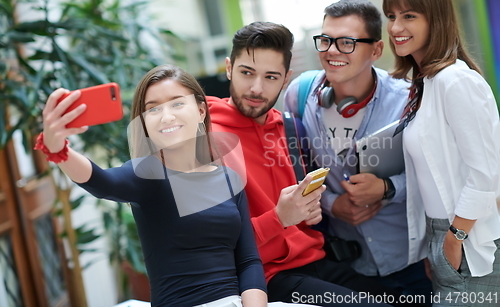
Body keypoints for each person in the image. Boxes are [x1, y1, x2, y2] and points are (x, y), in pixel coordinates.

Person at [34, 64, 316, 307]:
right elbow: (100, 181)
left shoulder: (230, 178)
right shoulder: (147, 174)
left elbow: (248, 261)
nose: (166, 116)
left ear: (201, 110)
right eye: (152, 109)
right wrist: (57, 147)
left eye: (177, 103)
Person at [208, 21, 413, 307]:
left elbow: (303, 211)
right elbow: (207, 243)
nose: (256, 88)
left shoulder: (291, 128)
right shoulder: (203, 134)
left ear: (286, 78)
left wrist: (311, 209)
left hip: (318, 260)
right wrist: (279, 217)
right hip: (264, 277)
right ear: (229, 68)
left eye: (270, 77)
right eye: (246, 73)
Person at [284, 0, 432, 303]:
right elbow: (290, 172)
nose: (332, 51)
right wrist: (331, 203)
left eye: (347, 42)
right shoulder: (299, 97)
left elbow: (440, 173)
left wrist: (389, 187)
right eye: (325, 40)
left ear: (376, 50)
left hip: (414, 261)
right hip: (346, 269)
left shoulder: (409, 100)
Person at [383, 0, 500, 305]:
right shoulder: (426, 84)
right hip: (443, 234)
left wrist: (455, 237)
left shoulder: (455, 80)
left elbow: (486, 172)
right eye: (391, 16)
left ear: (436, 19)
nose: (395, 27)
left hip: (469, 235)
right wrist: (435, 242)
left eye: (409, 16)